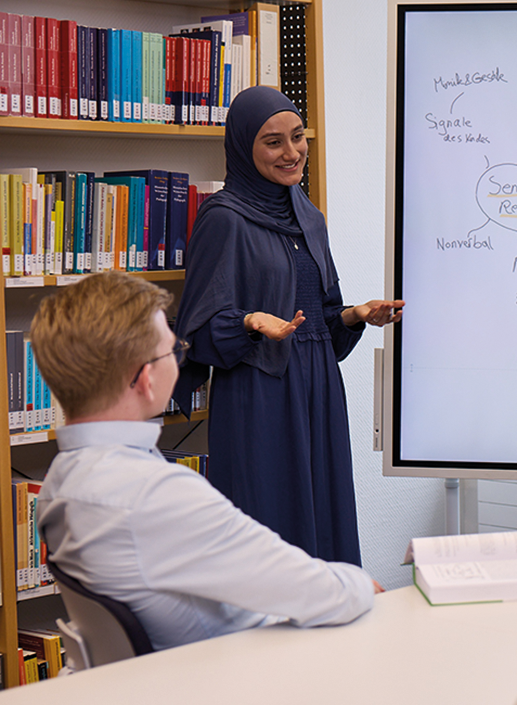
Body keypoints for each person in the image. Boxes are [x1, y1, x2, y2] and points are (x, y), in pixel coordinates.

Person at [34, 272, 381, 652]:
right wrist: (363, 585)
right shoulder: (155, 493)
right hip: (230, 671)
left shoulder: (58, 484)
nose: (180, 357)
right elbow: (321, 593)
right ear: (147, 379)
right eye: (174, 349)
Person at [175, 86, 403, 566]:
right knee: (270, 524)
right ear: (243, 147)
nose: (292, 152)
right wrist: (250, 322)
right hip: (260, 394)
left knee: (325, 513)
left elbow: (319, 318)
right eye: (273, 142)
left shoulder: (310, 217)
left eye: (298, 137)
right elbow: (198, 333)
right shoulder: (224, 218)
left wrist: (356, 315)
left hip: (319, 385)